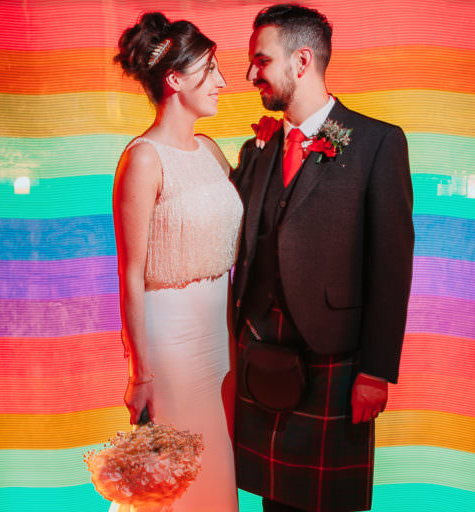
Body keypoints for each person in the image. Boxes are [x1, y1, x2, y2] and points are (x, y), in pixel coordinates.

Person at [231, 4, 415, 512]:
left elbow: (392, 266)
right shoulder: (262, 148)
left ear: (301, 61)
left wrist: (376, 371)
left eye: (260, 61)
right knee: (272, 504)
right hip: (262, 359)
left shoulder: (378, 143)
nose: (250, 75)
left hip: (336, 363)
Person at [111, 12, 242, 512]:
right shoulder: (143, 158)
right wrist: (139, 372)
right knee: (176, 479)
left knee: (215, 468)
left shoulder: (211, 151)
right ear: (175, 79)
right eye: (210, 70)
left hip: (220, 334)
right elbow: (130, 273)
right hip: (171, 342)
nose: (223, 82)